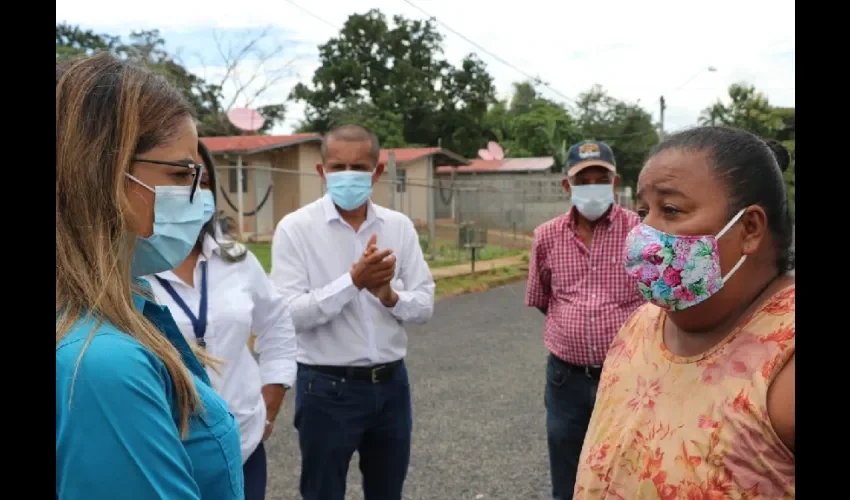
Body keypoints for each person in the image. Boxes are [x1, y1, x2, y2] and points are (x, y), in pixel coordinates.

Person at [56, 53, 243, 499]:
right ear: (102, 176)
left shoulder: (119, 311)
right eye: (181, 174)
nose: (197, 197)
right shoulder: (102, 366)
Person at [574, 127, 795, 498]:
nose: (644, 233)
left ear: (750, 229)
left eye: (671, 210)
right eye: (643, 211)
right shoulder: (642, 324)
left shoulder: (784, 358)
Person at [269, 124, 435, 500]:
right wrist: (353, 282)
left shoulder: (399, 227)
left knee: (386, 491)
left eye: (358, 167)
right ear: (321, 171)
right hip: (326, 390)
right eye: (337, 167)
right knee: (323, 491)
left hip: (391, 387)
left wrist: (390, 296)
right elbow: (288, 315)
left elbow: (424, 305)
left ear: (377, 172)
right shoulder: (296, 229)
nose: (347, 176)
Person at [144, 142, 297, 500]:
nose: (197, 190)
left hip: (242, 449)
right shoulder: (125, 269)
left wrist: (273, 395)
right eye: (181, 176)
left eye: (206, 180)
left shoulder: (235, 258)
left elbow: (276, 322)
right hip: (165, 458)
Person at [525, 140, 646, 500]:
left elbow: (654, 300)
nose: (592, 186)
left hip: (626, 375)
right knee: (567, 469)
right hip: (566, 378)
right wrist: (577, 323)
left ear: (614, 181)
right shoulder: (546, 236)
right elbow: (543, 298)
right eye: (583, 179)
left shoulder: (639, 231)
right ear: (567, 186)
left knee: (626, 468)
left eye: (600, 178)